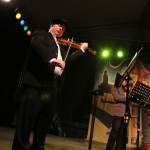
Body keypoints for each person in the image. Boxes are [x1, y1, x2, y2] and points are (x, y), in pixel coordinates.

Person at [12, 18, 89, 150]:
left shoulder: (60, 48)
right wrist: (51, 59)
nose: (61, 29)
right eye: (59, 26)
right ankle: (20, 147)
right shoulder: (41, 34)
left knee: (44, 122)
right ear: (52, 25)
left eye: (64, 29)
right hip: (35, 84)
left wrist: (80, 50)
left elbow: (66, 62)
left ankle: (38, 147)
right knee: (26, 120)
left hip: (51, 87)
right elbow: (37, 44)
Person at [106, 75, 129, 150]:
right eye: (125, 80)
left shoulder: (126, 89)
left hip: (126, 113)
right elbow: (117, 97)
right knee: (114, 132)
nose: (125, 82)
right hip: (118, 113)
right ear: (121, 80)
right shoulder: (114, 87)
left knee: (121, 134)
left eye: (126, 81)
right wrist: (127, 98)